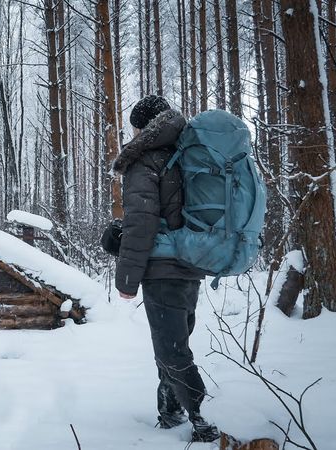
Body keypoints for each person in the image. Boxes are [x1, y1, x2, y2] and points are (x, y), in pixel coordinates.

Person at [111, 95, 220, 443]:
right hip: (191, 265)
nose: (134, 132)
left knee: (171, 350)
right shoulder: (189, 154)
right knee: (174, 339)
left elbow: (142, 223)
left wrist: (127, 278)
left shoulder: (146, 160)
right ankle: (169, 410)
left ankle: (199, 417)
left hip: (162, 271)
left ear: (144, 126)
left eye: (135, 126)